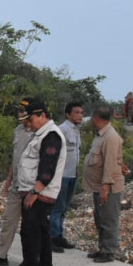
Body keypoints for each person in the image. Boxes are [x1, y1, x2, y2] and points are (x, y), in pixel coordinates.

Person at [13, 99, 66, 266]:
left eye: (31, 118)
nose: (28, 123)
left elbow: (47, 169)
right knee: (42, 234)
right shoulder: (40, 134)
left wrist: (34, 192)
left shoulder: (51, 136)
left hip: (39, 194)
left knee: (30, 234)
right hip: (34, 192)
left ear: (42, 115)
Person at [0, 103, 32, 266]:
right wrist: (9, 178)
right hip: (16, 184)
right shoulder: (18, 130)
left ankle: (29, 259)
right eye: (19, 110)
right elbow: (15, 157)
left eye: (23, 110)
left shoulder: (40, 133)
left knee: (29, 226)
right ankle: (1, 255)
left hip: (30, 187)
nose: (20, 113)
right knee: (8, 220)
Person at [84, 103, 126, 263]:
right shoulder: (102, 135)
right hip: (98, 185)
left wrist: (105, 187)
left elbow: (109, 164)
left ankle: (108, 252)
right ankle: (102, 248)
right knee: (100, 217)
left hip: (108, 187)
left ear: (95, 118)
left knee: (108, 219)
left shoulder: (110, 137)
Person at [48, 101, 84, 251]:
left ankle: (58, 235)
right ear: (68, 114)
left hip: (72, 174)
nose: (80, 116)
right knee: (57, 207)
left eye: (81, 113)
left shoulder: (76, 130)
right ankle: (51, 238)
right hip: (62, 175)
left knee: (64, 207)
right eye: (76, 112)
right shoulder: (61, 129)